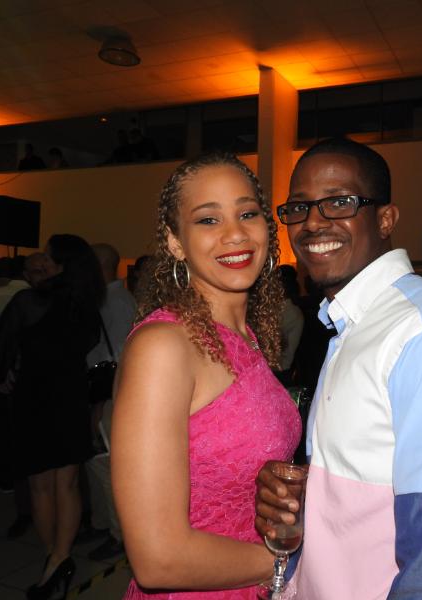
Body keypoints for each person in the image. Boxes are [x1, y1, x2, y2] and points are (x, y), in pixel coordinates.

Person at [255, 137, 422, 598]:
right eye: (298, 208)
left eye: (339, 202)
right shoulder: (358, 327)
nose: (313, 222)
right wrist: (309, 500)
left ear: (385, 219)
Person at [111, 152, 301, 598]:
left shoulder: (249, 337)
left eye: (247, 213)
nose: (235, 233)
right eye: (208, 220)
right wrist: (291, 563)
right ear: (176, 242)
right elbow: (158, 559)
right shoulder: (164, 346)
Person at [0, 234, 104, 599]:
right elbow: (87, 345)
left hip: (34, 396)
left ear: (61, 265)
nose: (42, 263)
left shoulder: (29, 300)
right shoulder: (86, 305)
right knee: (66, 483)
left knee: (40, 485)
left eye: (48, 259)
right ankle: (60, 557)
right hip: (70, 396)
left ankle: (52, 556)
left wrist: (5, 373)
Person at [83, 243, 136, 561]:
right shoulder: (111, 299)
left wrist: (102, 400)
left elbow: (117, 357)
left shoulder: (117, 302)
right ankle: (102, 524)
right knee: (97, 462)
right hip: (104, 393)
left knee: (108, 465)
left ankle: (119, 534)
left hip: (109, 395)